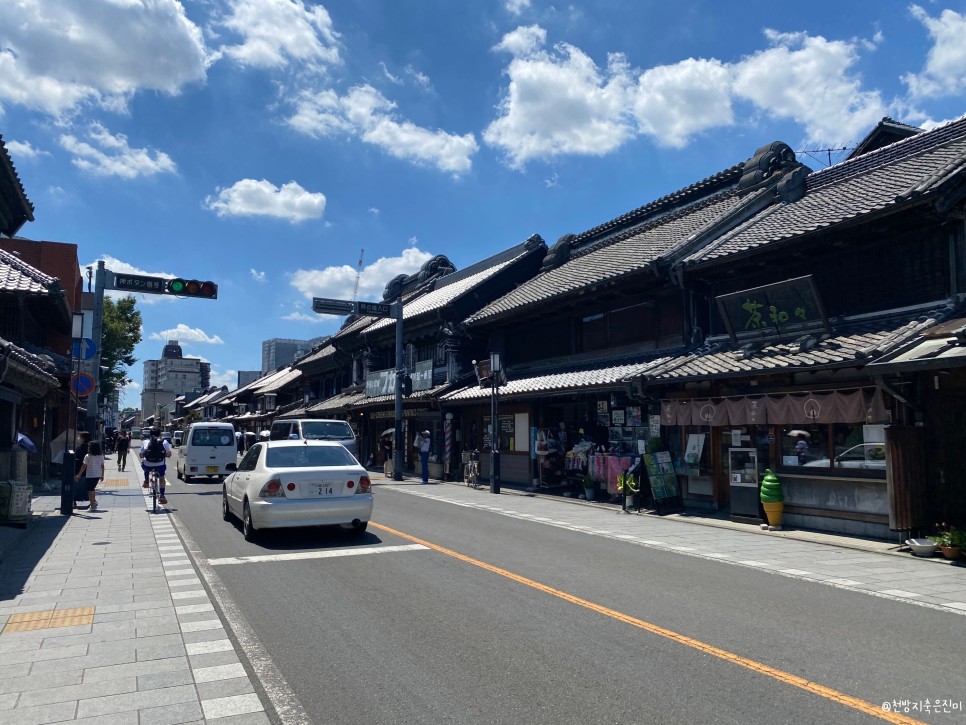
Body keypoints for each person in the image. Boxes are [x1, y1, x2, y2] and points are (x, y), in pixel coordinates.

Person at [139, 427, 172, 504]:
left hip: (147, 464)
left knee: (144, 465)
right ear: (160, 434)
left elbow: (141, 454)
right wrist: (165, 455)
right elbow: (169, 454)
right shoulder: (164, 442)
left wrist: (143, 456)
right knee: (161, 478)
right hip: (160, 464)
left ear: (150, 435)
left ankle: (146, 481)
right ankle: (162, 496)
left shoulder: (146, 442)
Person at [75, 440, 104, 510]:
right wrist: (102, 475)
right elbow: (102, 466)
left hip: (90, 474)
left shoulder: (88, 456)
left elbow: (84, 466)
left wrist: (79, 474)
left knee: (90, 489)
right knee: (92, 489)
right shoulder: (100, 456)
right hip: (97, 474)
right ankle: (93, 502)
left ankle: (92, 505)